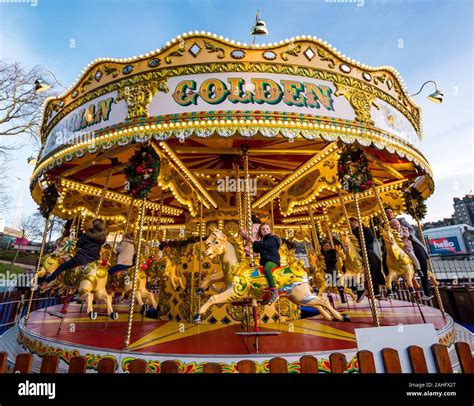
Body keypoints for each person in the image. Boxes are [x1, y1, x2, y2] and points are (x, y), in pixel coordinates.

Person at [38, 219, 108, 286]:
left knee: (62, 267)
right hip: (94, 259)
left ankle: (47, 281)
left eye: (92, 223)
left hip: (81, 258)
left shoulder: (87, 235)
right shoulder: (102, 238)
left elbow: (78, 244)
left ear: (93, 226)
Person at [385, 208, 433, 300]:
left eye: (390, 212)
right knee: (385, 259)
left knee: (421, 255)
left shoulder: (401, 221)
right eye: (387, 213)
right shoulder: (386, 225)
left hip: (409, 242)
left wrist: (406, 234)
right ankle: (392, 286)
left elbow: (412, 230)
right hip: (396, 245)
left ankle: (427, 290)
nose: (389, 214)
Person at [241, 222, 280, 304]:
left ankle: (274, 291)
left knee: (267, 269)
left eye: (267, 229)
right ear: (260, 231)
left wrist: (253, 241)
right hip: (266, 261)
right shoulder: (263, 240)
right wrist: (248, 240)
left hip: (273, 261)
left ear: (270, 230)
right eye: (263, 229)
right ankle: (265, 294)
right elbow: (257, 249)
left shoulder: (273, 238)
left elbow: (264, 245)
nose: (265, 231)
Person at [349, 217, 385, 296]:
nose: (349, 224)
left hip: (366, 249)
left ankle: (376, 288)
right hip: (356, 252)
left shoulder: (365, 229)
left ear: (355, 222)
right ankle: (354, 287)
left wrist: (360, 240)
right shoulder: (351, 233)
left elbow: (370, 238)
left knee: (374, 263)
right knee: (346, 266)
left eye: (350, 222)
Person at [320, 239, 348, 303]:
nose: (327, 247)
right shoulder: (321, 253)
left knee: (337, 280)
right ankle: (328, 296)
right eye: (325, 246)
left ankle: (342, 296)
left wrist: (325, 258)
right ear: (322, 247)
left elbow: (334, 260)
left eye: (328, 246)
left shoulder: (333, 252)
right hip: (324, 270)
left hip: (332, 269)